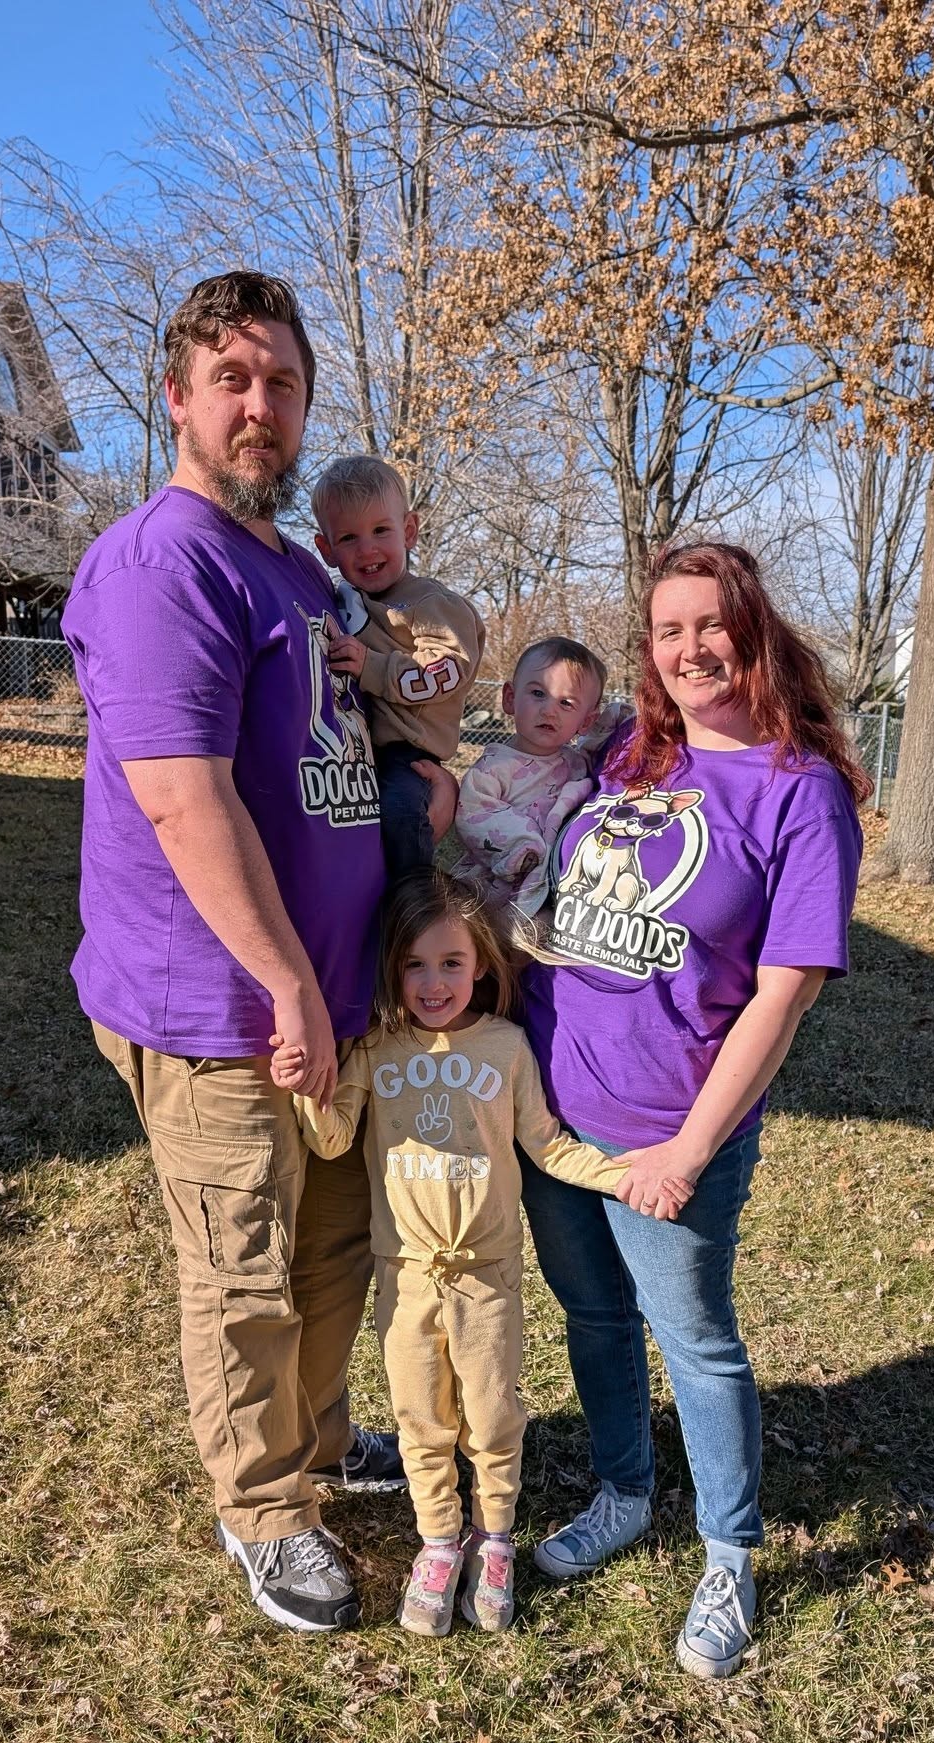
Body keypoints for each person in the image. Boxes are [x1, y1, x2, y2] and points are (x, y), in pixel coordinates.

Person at [63, 270, 453, 1637]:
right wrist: (286, 980)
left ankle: (316, 1438)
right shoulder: (160, 564)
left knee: (334, 1254)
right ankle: (261, 1509)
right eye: (230, 378)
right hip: (221, 1003)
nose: (258, 404)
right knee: (241, 1268)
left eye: (280, 382)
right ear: (177, 399)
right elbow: (181, 794)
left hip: (336, 997)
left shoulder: (292, 566)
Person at [519, 540, 868, 1680]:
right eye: (667, 630)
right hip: (551, 1110)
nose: (689, 648)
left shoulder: (800, 789)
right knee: (592, 1310)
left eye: (709, 624)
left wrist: (692, 1144)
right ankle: (625, 1489)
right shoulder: (629, 747)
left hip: (670, 1126)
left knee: (697, 1340)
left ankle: (729, 1551)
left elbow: (787, 992)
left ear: (753, 627)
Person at [276, 872, 689, 1638]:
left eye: (452, 963)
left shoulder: (505, 1048)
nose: (434, 983)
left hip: (488, 1279)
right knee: (419, 1418)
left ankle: (492, 1538)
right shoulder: (376, 1047)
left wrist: (628, 1175)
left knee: (494, 1415)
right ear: (393, 968)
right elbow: (331, 1138)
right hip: (406, 1278)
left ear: (483, 966)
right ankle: (439, 1540)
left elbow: (547, 1146)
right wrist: (307, 1085)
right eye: (416, 965)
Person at [312, 455, 486, 880]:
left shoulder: (429, 603)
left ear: (409, 531)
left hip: (409, 751)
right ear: (327, 549)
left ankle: (414, 901)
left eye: (381, 531)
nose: (367, 548)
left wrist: (372, 667)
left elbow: (449, 669)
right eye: (349, 537)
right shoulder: (341, 599)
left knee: (399, 814)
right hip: (358, 747)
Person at [453, 636, 624, 919]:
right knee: (505, 936)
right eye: (537, 694)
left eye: (566, 703)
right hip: (501, 883)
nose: (549, 710)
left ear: (585, 721)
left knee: (547, 932)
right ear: (510, 698)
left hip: (556, 883)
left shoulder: (575, 762)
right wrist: (521, 846)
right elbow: (473, 813)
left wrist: (617, 722)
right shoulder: (494, 767)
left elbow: (599, 745)